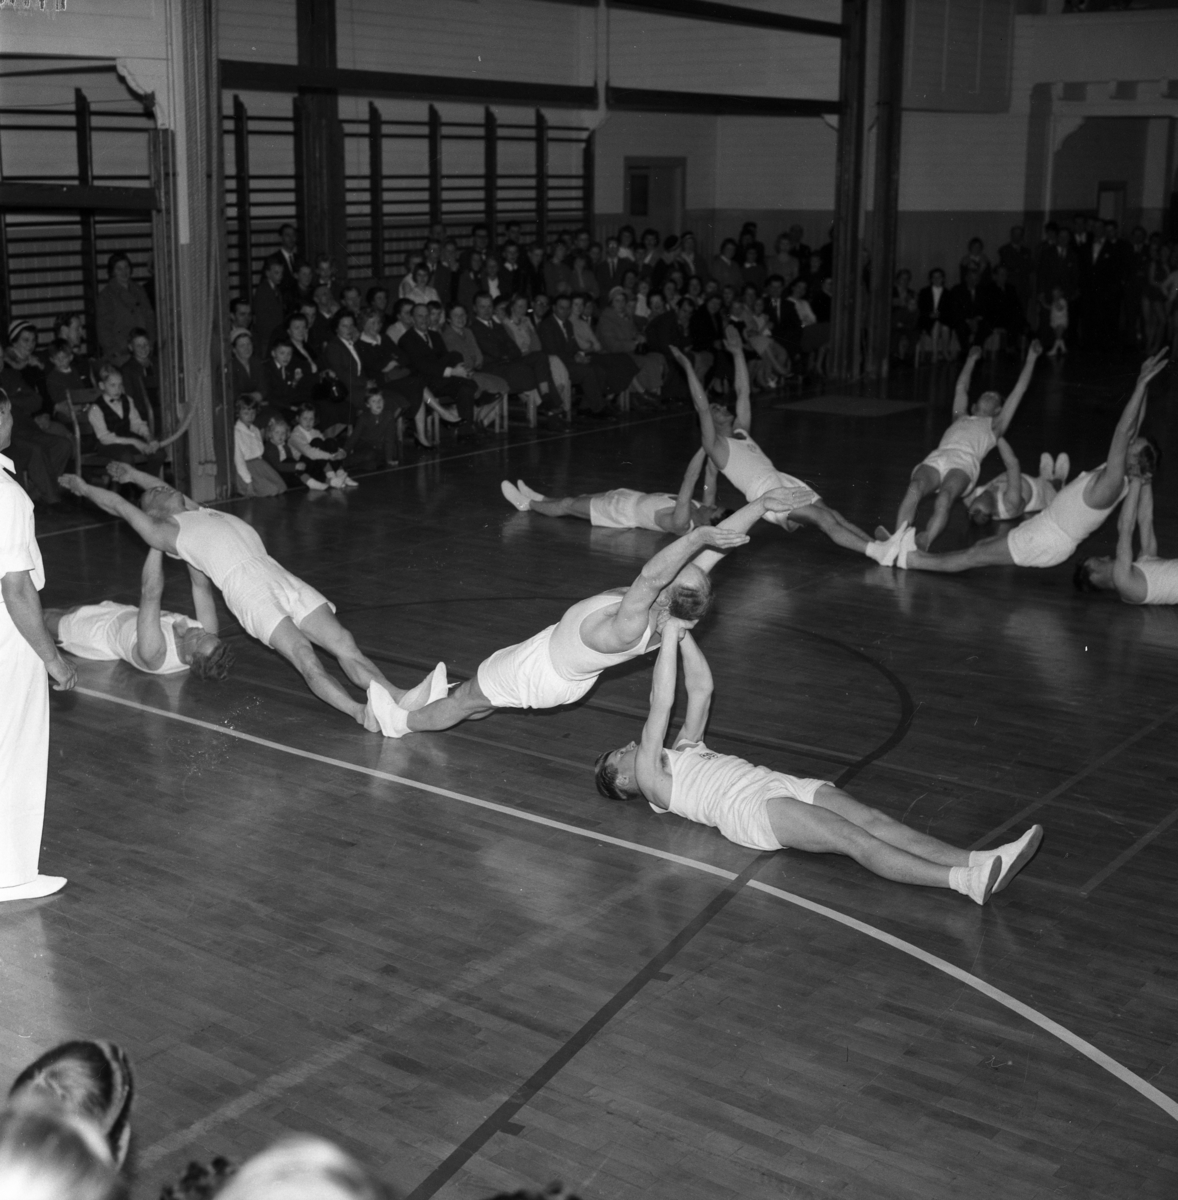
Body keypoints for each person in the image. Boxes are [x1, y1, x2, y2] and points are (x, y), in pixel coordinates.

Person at [594, 621, 1042, 905]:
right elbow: (661, 702)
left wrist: (683, 633)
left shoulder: (684, 749)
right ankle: (963, 881)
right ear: (624, 778)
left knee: (874, 820)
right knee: (853, 839)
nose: (629, 744)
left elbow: (701, 689)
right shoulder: (653, 782)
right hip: (749, 810)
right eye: (620, 752)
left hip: (776, 782)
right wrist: (667, 637)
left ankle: (981, 858)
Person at [59, 464, 447, 730]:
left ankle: (399, 698)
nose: (161, 485)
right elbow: (119, 505)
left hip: (278, 574)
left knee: (344, 642)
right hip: (248, 592)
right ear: (154, 513)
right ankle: (361, 713)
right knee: (305, 657)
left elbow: (158, 490)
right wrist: (84, 487)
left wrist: (131, 474)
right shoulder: (164, 532)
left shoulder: (198, 512)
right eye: (155, 492)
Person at [366, 500, 788, 738]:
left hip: (542, 669)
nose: (685, 562)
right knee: (485, 699)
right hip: (553, 660)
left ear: (667, 595)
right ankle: (434, 705)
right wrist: (761, 505)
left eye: (680, 570)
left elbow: (651, 574)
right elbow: (720, 547)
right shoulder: (672, 606)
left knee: (468, 699)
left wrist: (694, 535)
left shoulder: (634, 623)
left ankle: (397, 724)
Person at [868, 350, 1168, 573]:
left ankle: (910, 559)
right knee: (979, 548)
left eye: (1133, 447)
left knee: (973, 556)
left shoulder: (1114, 479)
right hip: (1044, 525)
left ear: (1132, 463)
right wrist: (1144, 383)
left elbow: (1124, 430)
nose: (1129, 443)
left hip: (1047, 537)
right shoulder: (1124, 473)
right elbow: (1133, 430)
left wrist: (1140, 384)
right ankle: (906, 550)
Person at [675, 330, 874, 554]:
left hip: (782, 479)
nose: (722, 406)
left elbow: (743, 392)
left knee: (833, 515)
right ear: (709, 422)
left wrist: (738, 353)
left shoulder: (741, 432)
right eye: (716, 409)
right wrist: (687, 366)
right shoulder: (716, 447)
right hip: (766, 492)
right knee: (823, 519)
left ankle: (880, 547)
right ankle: (879, 553)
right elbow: (701, 407)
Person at [0, 392, 72, 901]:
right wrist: (51, 657)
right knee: (17, 748)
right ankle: (10, 873)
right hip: (8, 635)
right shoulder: (6, 495)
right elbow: (16, 587)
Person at [885, 341, 1041, 552]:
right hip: (938, 456)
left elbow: (1018, 391)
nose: (990, 395)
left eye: (995, 397)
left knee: (945, 497)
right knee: (915, 487)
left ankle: (925, 541)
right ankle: (897, 539)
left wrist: (1031, 357)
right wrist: (971, 359)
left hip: (964, 464)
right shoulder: (959, 416)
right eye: (986, 394)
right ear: (974, 406)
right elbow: (961, 388)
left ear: (998, 410)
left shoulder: (995, 425)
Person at [45, 548, 232, 679]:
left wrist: (157, 542)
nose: (201, 631)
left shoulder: (156, 653)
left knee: (42, 621)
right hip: (123, 613)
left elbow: (150, 593)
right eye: (207, 634)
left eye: (199, 639)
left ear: (190, 659)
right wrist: (186, 545)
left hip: (97, 634)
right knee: (61, 612)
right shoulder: (205, 638)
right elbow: (201, 587)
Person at [500, 446, 731, 533]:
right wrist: (713, 445)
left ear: (707, 525)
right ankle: (540, 498)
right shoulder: (703, 510)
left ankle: (526, 504)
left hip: (620, 512)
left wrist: (702, 448)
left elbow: (689, 480)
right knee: (578, 498)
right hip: (630, 496)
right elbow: (710, 476)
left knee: (568, 505)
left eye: (713, 510)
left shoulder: (682, 522)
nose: (710, 505)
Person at [1075, 475, 1178, 605]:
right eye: (1099, 560)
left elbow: (1145, 519)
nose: (1106, 557)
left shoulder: (1142, 568)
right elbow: (1125, 527)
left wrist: (1146, 479)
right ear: (1094, 577)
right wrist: (1135, 481)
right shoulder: (1123, 581)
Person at [963, 443, 1069, 525]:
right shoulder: (1010, 503)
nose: (983, 494)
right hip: (1041, 493)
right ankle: (1058, 480)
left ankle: (1045, 477)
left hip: (1024, 482)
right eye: (983, 496)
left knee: (973, 491)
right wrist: (997, 436)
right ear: (992, 512)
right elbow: (1013, 464)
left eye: (979, 496)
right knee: (1052, 487)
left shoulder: (976, 503)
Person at [87, 363, 164, 472]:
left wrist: (148, 437)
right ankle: (129, 482)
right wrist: (135, 442)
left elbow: (136, 423)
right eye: (113, 385)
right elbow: (104, 438)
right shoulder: (96, 408)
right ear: (102, 386)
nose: (118, 389)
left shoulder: (127, 400)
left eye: (120, 385)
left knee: (158, 454)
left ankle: (146, 480)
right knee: (126, 458)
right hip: (107, 445)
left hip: (127, 441)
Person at [95, 252, 156, 363]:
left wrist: (150, 342)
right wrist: (114, 351)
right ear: (112, 271)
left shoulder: (139, 290)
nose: (124, 272)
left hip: (143, 348)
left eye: (126, 267)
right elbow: (103, 329)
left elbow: (150, 318)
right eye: (119, 269)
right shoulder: (106, 296)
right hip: (121, 351)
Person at [233, 398, 286, 497]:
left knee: (281, 487)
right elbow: (239, 460)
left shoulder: (255, 429)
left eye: (253, 413)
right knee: (272, 490)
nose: (250, 416)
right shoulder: (237, 432)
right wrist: (248, 481)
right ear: (238, 413)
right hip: (247, 469)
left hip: (259, 465)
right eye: (246, 413)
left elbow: (259, 450)